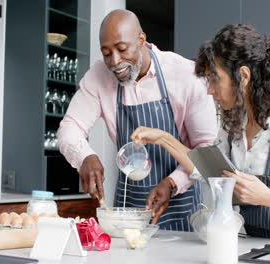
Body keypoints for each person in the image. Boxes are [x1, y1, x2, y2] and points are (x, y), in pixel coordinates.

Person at [131, 24, 270, 243]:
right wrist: (163, 139)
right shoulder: (234, 127)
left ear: (243, 76)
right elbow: (207, 169)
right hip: (255, 246)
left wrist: (268, 197)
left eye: (215, 78)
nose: (210, 90)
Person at [57, 10, 218, 231]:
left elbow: (206, 151)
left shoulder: (185, 74)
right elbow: (69, 128)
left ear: (141, 39)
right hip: (129, 211)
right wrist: (85, 156)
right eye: (106, 53)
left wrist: (173, 184)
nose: (115, 61)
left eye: (122, 49)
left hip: (182, 208)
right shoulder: (98, 76)